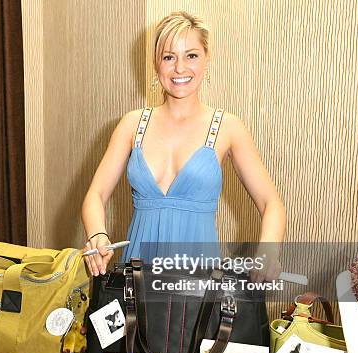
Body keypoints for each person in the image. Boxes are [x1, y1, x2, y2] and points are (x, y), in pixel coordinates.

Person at [81, 11, 286, 282]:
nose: (180, 68)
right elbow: (95, 194)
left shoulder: (228, 128)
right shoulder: (132, 125)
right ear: (157, 64)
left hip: (199, 278)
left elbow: (271, 203)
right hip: (138, 275)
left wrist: (268, 253)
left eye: (191, 55)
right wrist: (97, 235)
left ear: (206, 60)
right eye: (169, 57)